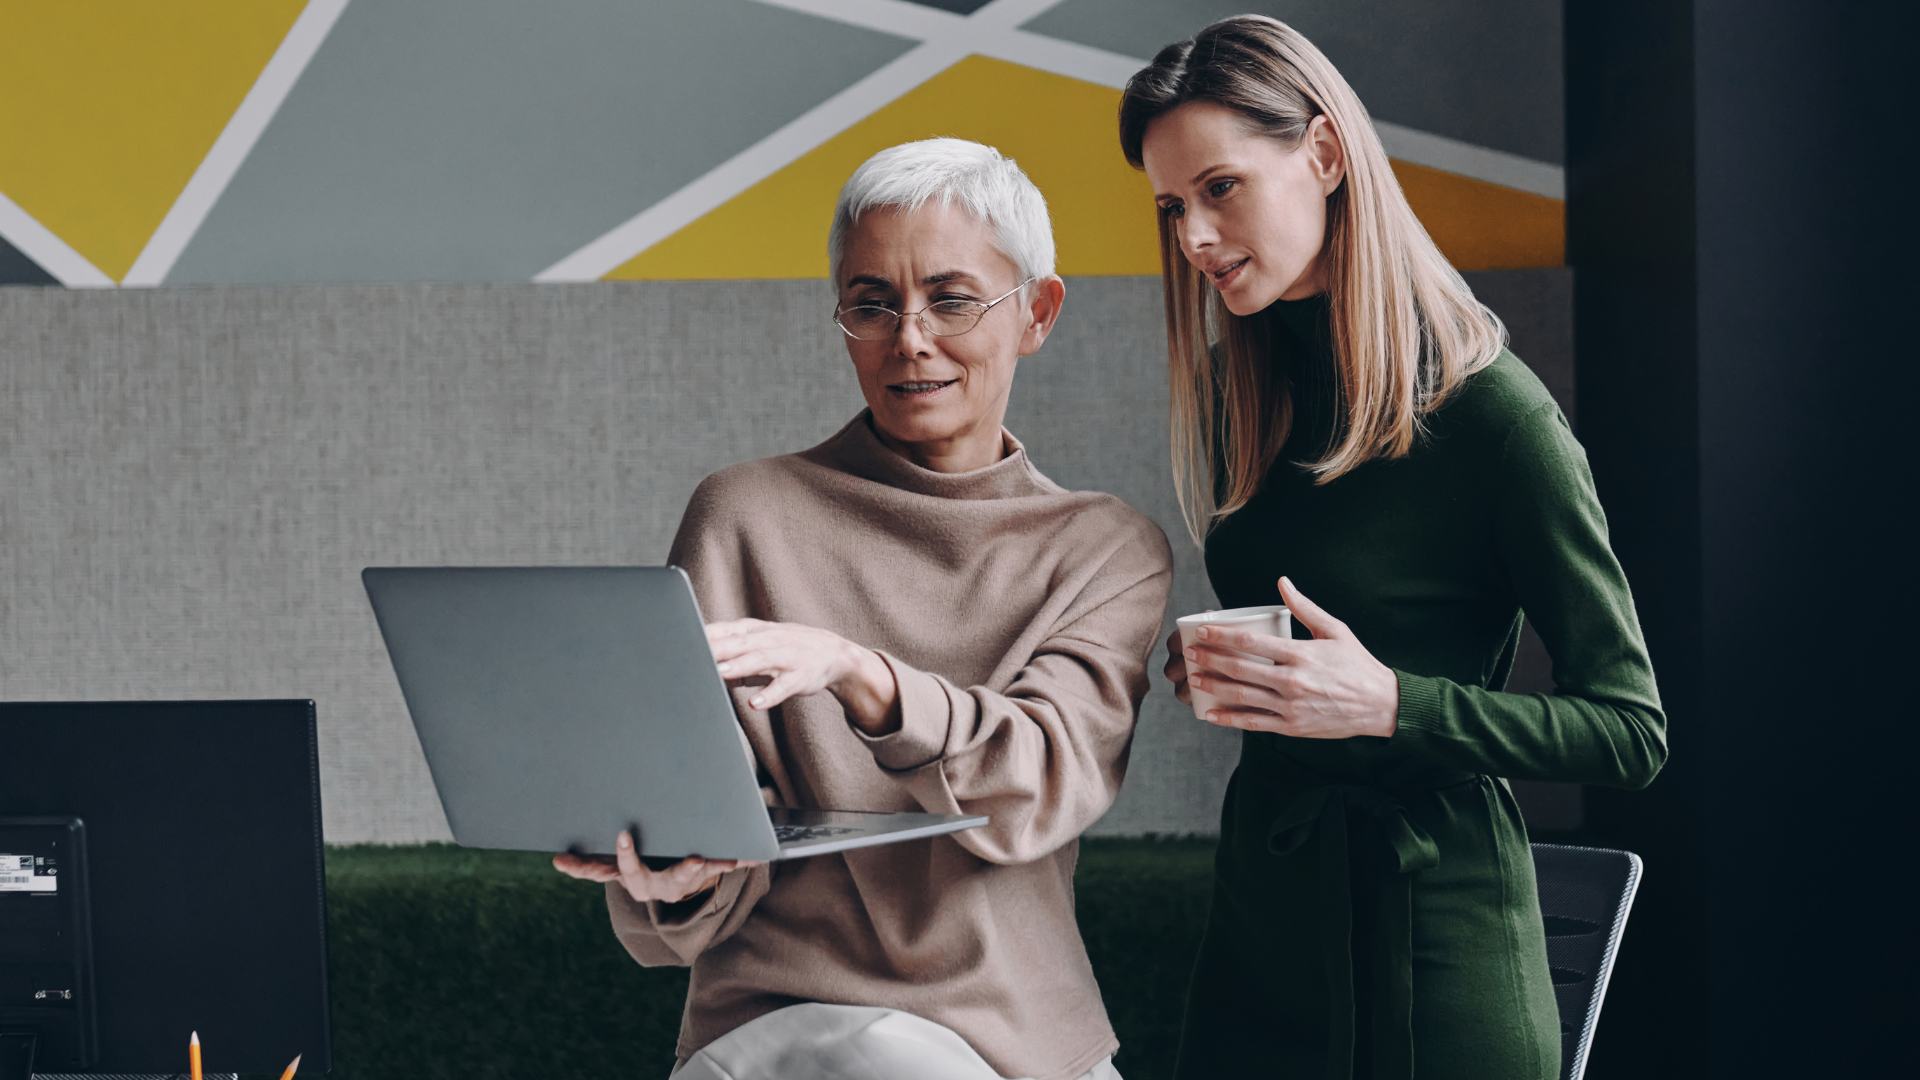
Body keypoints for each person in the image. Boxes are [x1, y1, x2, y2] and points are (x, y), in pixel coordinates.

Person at [1117, 15, 1667, 1080]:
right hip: (1261, 936)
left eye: (1219, 189)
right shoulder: (1250, 398)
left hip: (1441, 957)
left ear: (1323, 155)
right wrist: (1231, 668)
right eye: (1171, 206)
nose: (1190, 235)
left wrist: (1388, 704)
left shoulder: (1498, 419)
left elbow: (1629, 733)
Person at [554, 138, 1173, 1080]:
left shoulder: (1102, 548)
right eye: (871, 303)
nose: (909, 338)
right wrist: (676, 876)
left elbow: (1038, 784)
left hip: (1014, 1044)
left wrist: (862, 676)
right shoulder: (744, 514)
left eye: (952, 299)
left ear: (1037, 314)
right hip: (777, 1032)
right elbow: (719, 821)